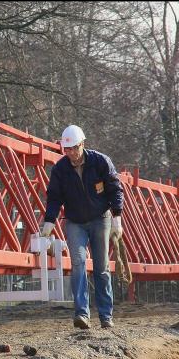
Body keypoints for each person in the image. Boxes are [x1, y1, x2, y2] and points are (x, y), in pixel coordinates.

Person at [41, 125, 123, 329]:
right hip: (75, 222)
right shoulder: (60, 169)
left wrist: (117, 218)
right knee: (78, 263)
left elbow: (115, 189)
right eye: (66, 150)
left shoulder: (100, 162)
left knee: (101, 267)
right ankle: (82, 314)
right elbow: (54, 197)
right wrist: (49, 220)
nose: (70, 153)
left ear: (82, 145)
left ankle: (105, 316)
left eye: (73, 149)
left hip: (100, 219)